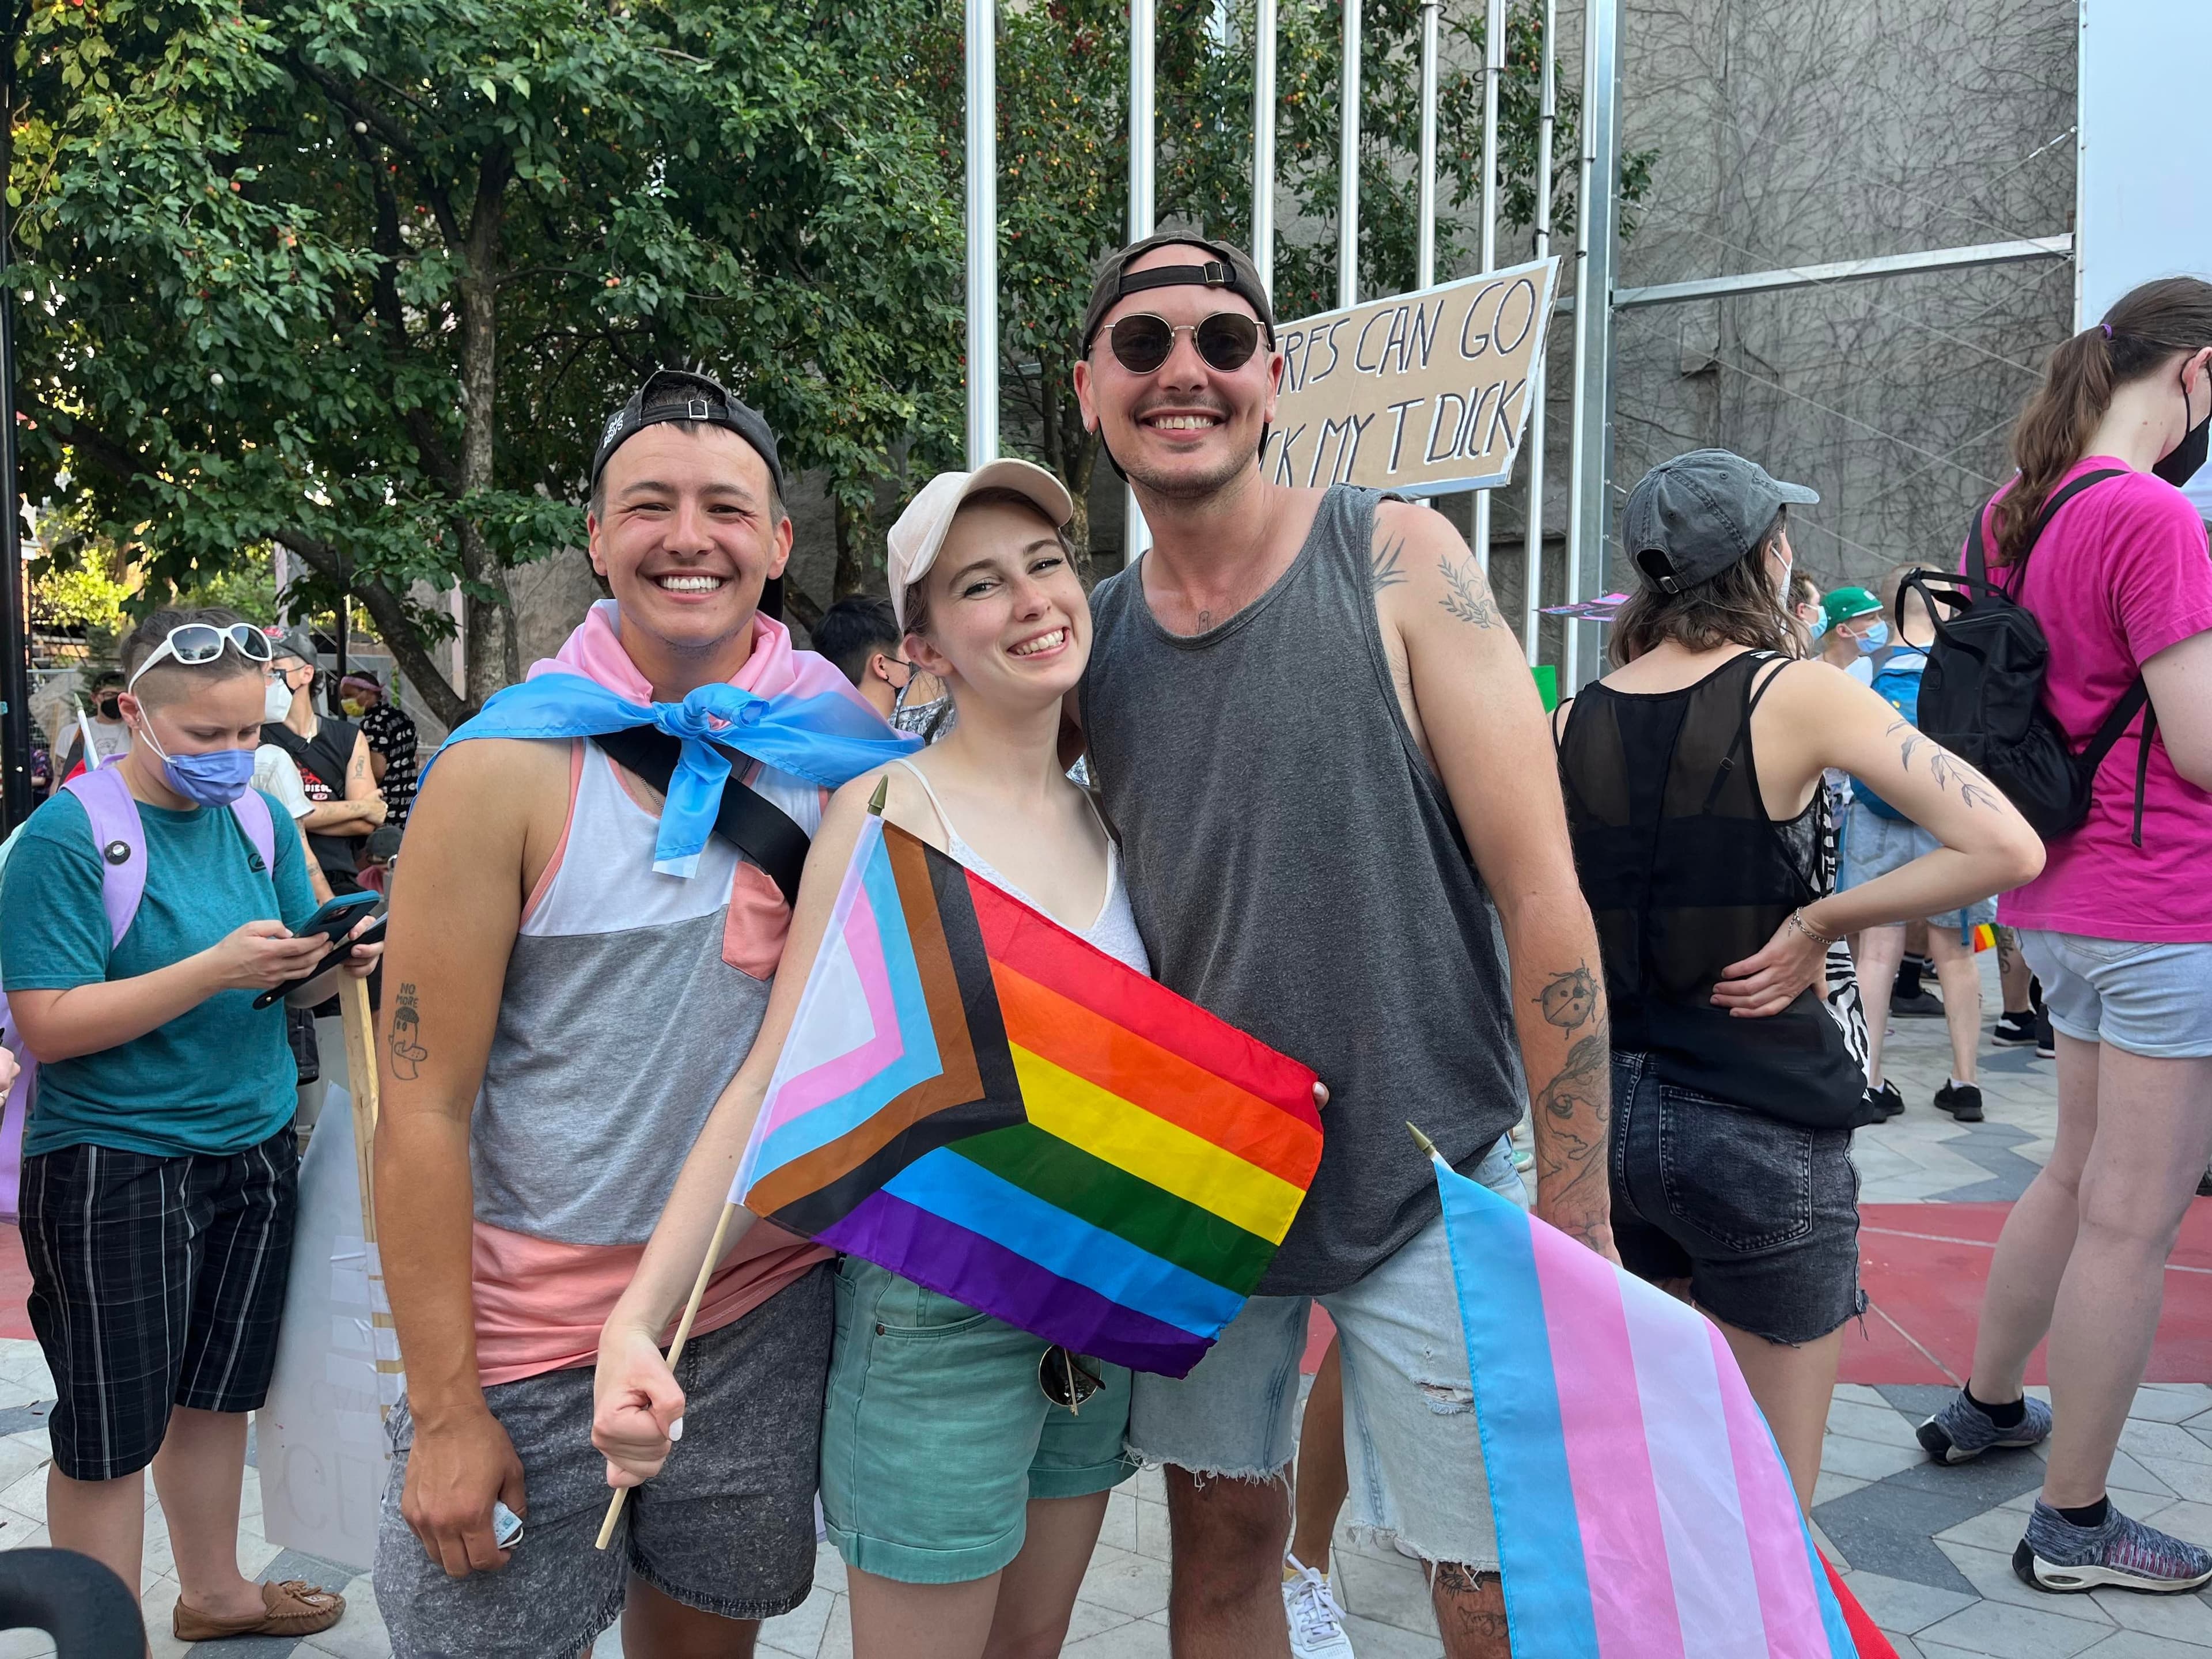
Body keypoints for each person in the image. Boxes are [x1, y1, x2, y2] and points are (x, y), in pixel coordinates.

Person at [1067, 234, 1607, 1659]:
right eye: (1141, 344)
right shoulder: (1096, 648)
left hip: (1434, 1170)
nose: (1183, 370)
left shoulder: (1397, 558)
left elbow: (1543, 895)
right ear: (1087, 390)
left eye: (1222, 340)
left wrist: (1580, 1202)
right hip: (1207, 1188)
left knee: (1494, 1584)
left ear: (1272, 376)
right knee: (1221, 1558)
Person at [596, 459, 1183, 1659]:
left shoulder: (1115, 810)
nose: (1031, 602)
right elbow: (776, 1078)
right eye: (981, 587)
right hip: (934, 1313)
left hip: (1090, 1298)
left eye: (1046, 566)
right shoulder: (886, 810)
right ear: (924, 646)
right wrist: (640, 1322)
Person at [371, 368, 910, 1659]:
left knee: (706, 1639)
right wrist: (448, 1410)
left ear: (777, 544)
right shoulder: (502, 769)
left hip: (758, 1308)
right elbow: (420, 1107)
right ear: (600, 537)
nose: (688, 537)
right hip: (525, 1339)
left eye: (726, 506)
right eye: (649, 505)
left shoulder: (848, 749)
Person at [1552, 449, 2043, 1512]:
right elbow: (2007, 846)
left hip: (1611, 1133)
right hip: (1758, 1119)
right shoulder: (1799, 693)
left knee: (1672, 1481)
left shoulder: (1571, 719)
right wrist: (1821, 918)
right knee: (1771, 1511)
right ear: (1765, 557)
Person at [0, 606, 380, 1643]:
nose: (231, 756)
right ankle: (103, 1632)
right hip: (115, 1161)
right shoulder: (66, 838)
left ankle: (215, 1594)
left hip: (251, 1146)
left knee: (219, 1394)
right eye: (206, 737)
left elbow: (274, 996)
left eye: (248, 733)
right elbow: (49, 1025)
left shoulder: (256, 820)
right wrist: (214, 966)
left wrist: (324, 966)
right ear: (134, 714)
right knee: (110, 1430)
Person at [1923, 277, 2212, 1595]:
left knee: (2069, 1175)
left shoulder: (2011, 508)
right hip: (2161, 902)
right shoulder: (2155, 518)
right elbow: (2197, 746)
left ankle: (1984, 1403)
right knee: (2131, 1224)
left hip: (2049, 891)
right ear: (2194, 374)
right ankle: (2076, 1523)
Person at [1841, 574, 1993, 1122]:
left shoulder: (1867, 667)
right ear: (1945, 611)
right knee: (1956, 952)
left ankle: (1869, 1079)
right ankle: (1966, 1082)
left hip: (1876, 819)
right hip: (1949, 821)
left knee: (1877, 952)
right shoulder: (1965, 667)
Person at [262, 629, 385, 894]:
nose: (265, 678)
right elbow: (271, 819)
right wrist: (362, 806)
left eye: (274, 668)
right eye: (260, 669)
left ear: (306, 673)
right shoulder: (252, 736)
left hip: (342, 880)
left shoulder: (349, 737)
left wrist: (298, 817)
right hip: (279, 883)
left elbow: (366, 823)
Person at [342, 672, 420, 827]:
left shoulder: (372, 724)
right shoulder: (401, 717)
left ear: (369, 693)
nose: (345, 702)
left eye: (350, 695)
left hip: (387, 804)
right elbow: (414, 759)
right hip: (409, 800)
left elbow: (377, 770)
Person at [56, 669, 132, 777]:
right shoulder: (74, 732)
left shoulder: (138, 731)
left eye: (122, 695)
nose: (116, 699)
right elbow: (60, 776)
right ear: (94, 697)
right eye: (109, 694)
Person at [1818, 585, 1886, 682]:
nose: (1881, 623)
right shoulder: (1810, 672)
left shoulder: (1876, 671)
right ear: (1843, 630)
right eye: (1871, 618)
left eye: (1879, 617)